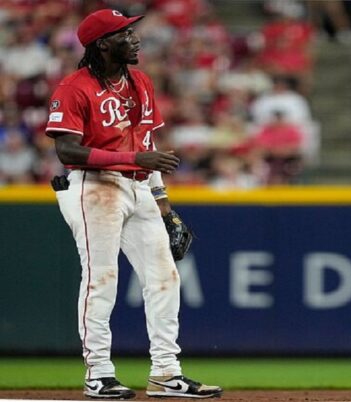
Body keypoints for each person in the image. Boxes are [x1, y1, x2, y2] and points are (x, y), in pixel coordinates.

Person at [45, 9, 222, 399]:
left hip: (140, 187)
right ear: (103, 43)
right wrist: (133, 161)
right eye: (125, 33)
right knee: (101, 279)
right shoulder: (74, 87)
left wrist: (164, 207)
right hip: (95, 187)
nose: (136, 37)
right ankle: (99, 374)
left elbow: (146, 147)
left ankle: (165, 373)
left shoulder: (140, 81)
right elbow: (67, 150)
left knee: (164, 278)